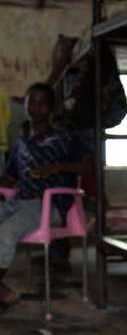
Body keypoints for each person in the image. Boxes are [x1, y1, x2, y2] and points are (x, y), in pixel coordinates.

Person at [0, 83, 93, 311]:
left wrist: (57, 167)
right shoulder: (21, 144)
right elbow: (9, 178)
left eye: (43, 103)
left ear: (51, 108)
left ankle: (4, 293)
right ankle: (3, 293)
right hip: (19, 202)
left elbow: (90, 166)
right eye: (32, 101)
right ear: (25, 105)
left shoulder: (66, 138)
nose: (37, 107)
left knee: (5, 232)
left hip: (46, 205)